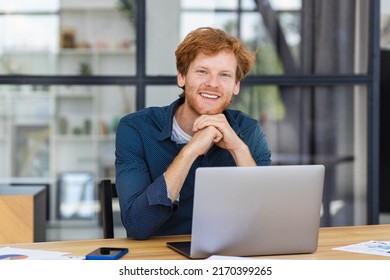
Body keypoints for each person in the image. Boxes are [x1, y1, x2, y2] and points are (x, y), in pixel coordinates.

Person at [115, 27, 271, 240]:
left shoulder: (248, 131)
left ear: (236, 86)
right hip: (160, 260)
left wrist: (238, 148)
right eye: (202, 71)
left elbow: (266, 221)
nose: (213, 84)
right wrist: (190, 151)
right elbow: (138, 226)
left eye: (224, 75)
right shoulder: (136, 129)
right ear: (182, 76)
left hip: (229, 256)